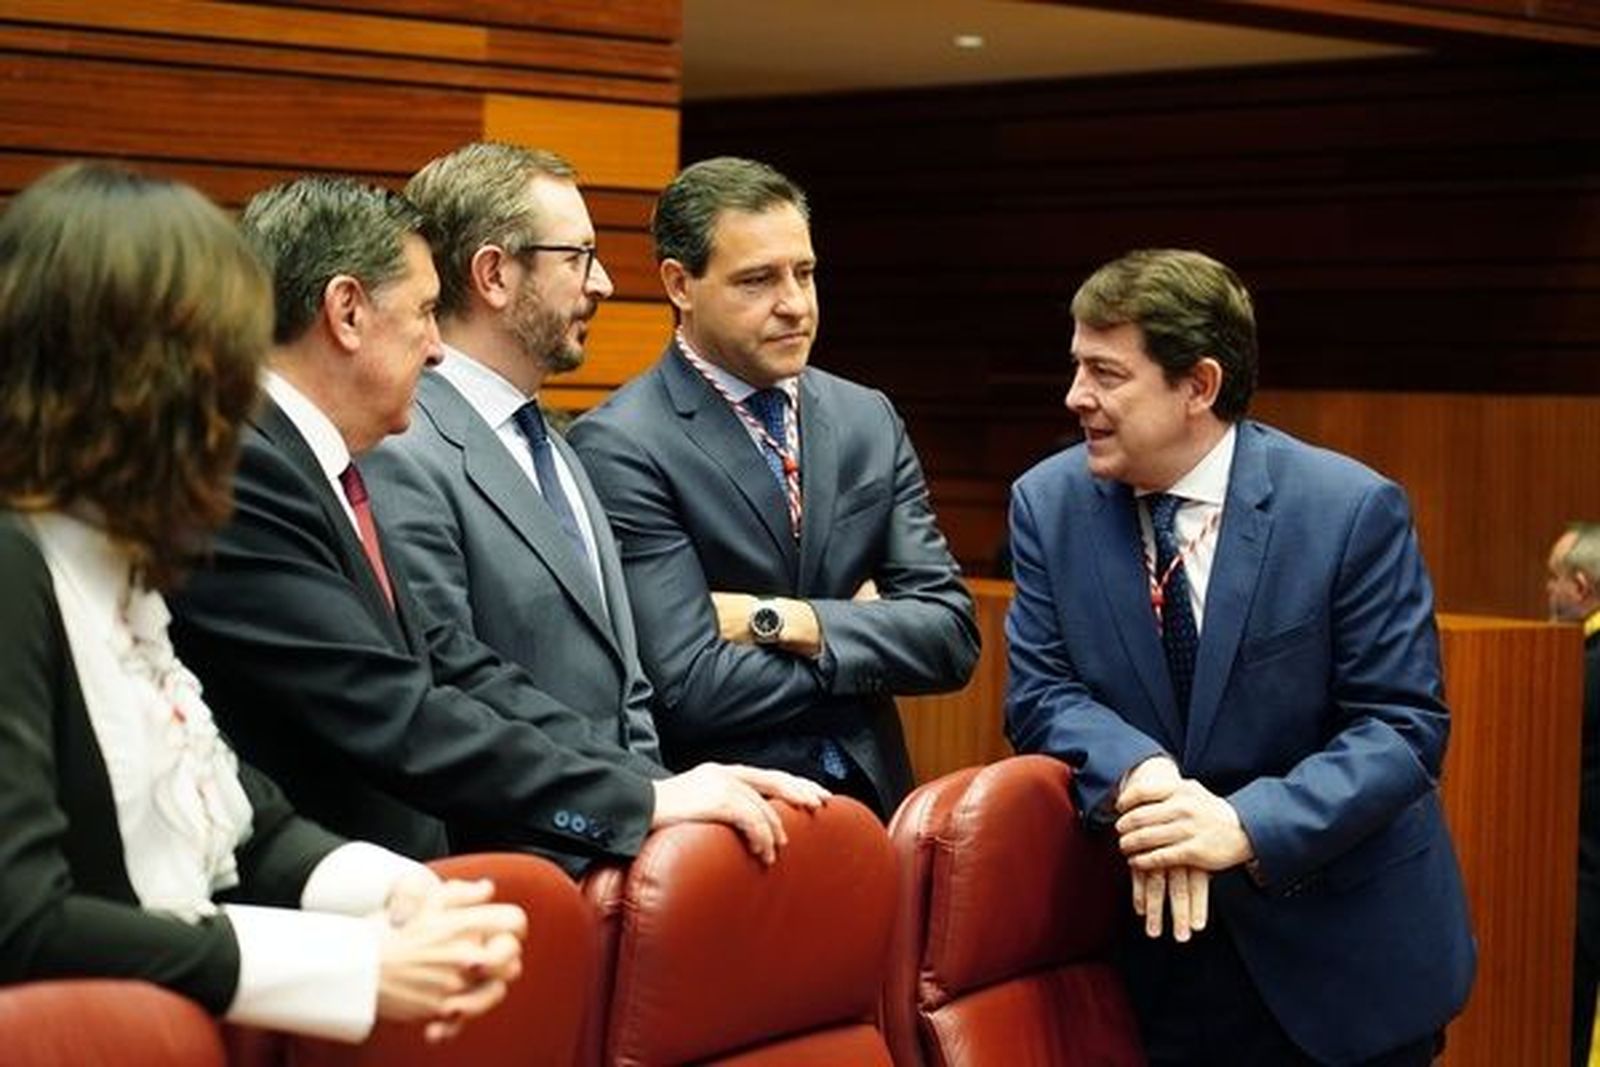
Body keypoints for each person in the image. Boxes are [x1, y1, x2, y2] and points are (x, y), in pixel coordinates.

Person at [0, 162, 525, 1044]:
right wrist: (355, 967)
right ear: (127, 368)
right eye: (223, 352)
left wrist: (400, 893)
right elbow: (24, 919)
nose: (240, 389)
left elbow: (244, 823)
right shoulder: (16, 561)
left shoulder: (120, 555)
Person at [166, 175, 824, 877]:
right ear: (348, 311)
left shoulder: (321, 465)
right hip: (316, 907)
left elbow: (454, 666)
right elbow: (390, 707)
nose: (436, 347)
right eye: (423, 312)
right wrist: (630, 800)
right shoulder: (247, 469)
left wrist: (651, 785)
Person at [1004, 248, 1474, 1066]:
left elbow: (1402, 727)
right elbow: (1042, 692)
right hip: (1156, 970)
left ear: (1199, 386)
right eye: (1077, 365)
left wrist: (1243, 823)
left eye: (1107, 374)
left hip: (1341, 965)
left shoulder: (1347, 509)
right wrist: (1138, 772)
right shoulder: (1047, 504)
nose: (1076, 396)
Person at [569, 157, 980, 818]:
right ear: (680, 284)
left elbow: (951, 637)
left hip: (877, 805)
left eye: (805, 272)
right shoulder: (621, 443)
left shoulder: (864, 416)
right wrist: (866, 629)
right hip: (731, 823)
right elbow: (691, 686)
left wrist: (786, 619)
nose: (794, 303)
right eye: (757, 280)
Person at [362, 142, 660, 769]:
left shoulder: (556, 445)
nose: (602, 283)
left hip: (622, 842)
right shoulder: (403, 451)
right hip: (505, 852)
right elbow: (453, 686)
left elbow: (624, 684)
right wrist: (643, 796)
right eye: (579, 257)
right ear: (494, 274)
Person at [1547, 523, 1600, 1066]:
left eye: (1553, 579)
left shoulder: (1577, 678)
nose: (1548, 592)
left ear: (1581, 588)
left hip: (1584, 883)